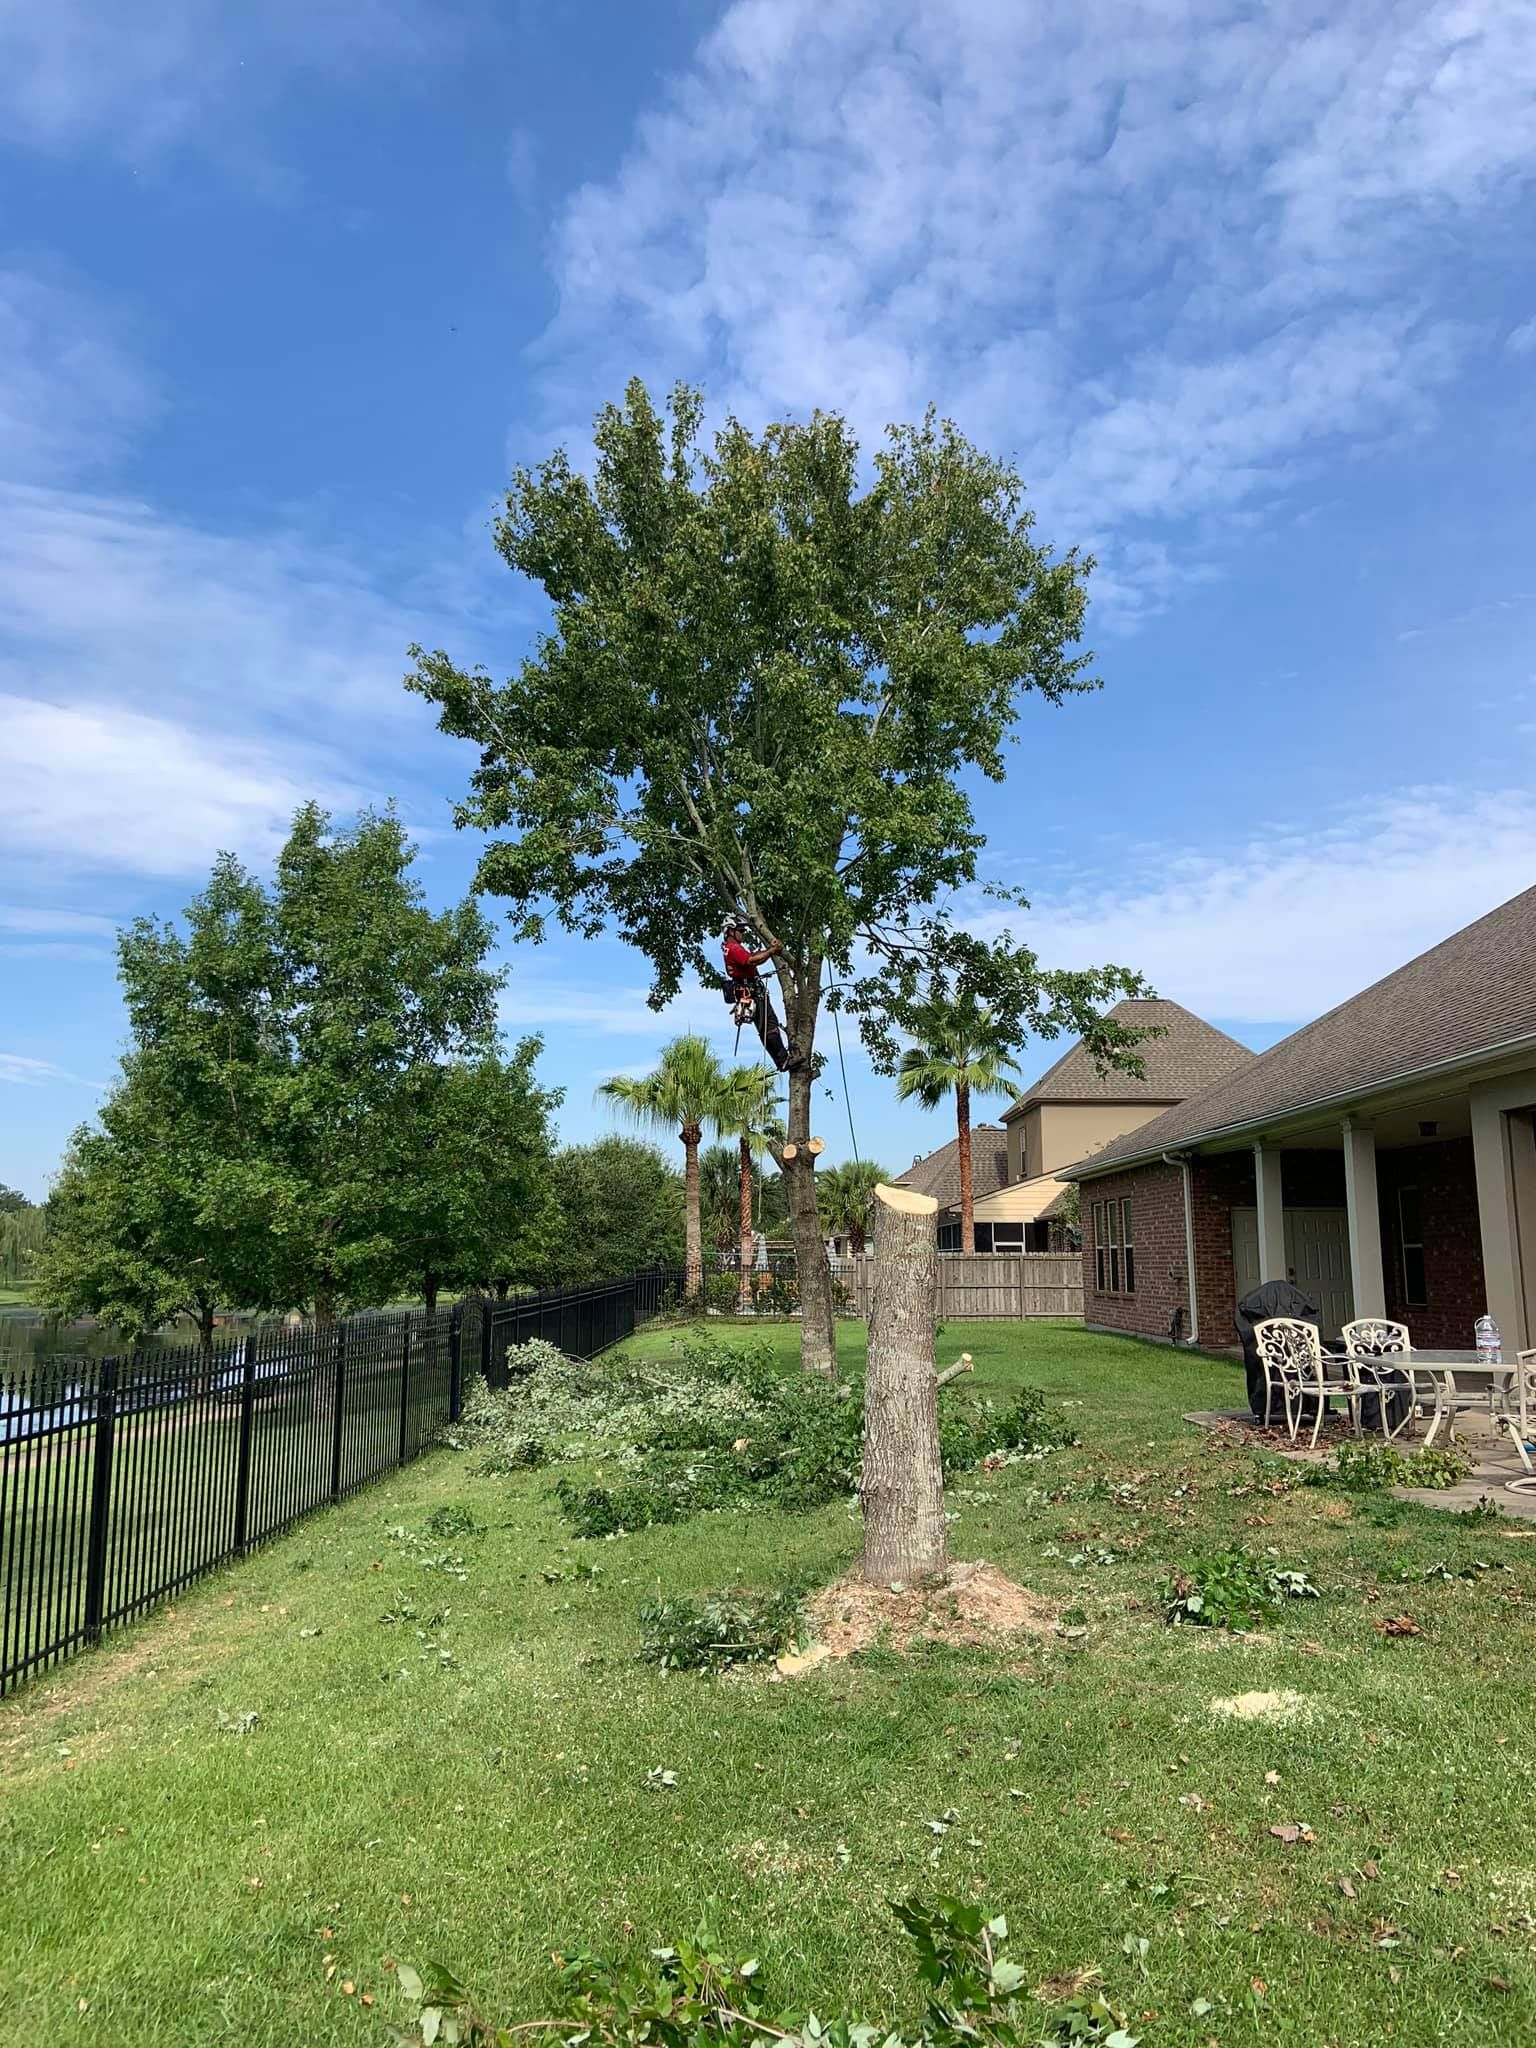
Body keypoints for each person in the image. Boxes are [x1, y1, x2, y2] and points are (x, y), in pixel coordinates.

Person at [721, 920, 790, 1071]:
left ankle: (782, 1059)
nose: (743, 933)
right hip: (752, 992)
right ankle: (783, 1059)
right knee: (769, 1025)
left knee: (767, 1025)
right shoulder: (733, 948)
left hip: (750, 990)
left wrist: (769, 950)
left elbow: (753, 959)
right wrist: (771, 951)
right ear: (730, 931)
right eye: (740, 930)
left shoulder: (730, 948)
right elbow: (751, 960)